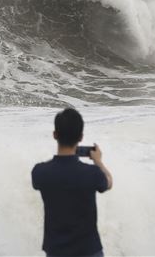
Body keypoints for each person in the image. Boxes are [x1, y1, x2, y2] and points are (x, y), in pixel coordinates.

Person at [32, 107, 113, 257]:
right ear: (81, 137)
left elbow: (39, 181)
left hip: (57, 252)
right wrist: (98, 161)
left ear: (55, 135)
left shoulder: (40, 172)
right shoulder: (92, 173)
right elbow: (109, 182)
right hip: (89, 251)